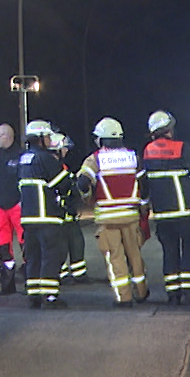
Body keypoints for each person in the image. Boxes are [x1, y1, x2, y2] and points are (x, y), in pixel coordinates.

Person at [78, 117, 150, 306]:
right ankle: (141, 292)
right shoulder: (133, 156)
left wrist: (87, 196)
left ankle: (124, 298)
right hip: (131, 216)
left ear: (101, 139)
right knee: (135, 255)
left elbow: (82, 182)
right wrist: (143, 205)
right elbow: (144, 184)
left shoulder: (95, 159)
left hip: (108, 219)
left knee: (115, 258)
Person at [142, 110, 190, 304]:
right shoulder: (181, 148)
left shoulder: (147, 152)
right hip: (184, 212)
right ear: (169, 129)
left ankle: (173, 293)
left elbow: (143, 183)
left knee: (170, 251)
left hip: (162, 215)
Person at [16, 120, 70, 309]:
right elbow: (63, 184)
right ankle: (50, 296)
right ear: (40, 138)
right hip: (47, 217)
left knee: (33, 256)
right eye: (47, 136)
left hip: (28, 218)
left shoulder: (24, 158)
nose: (49, 139)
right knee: (51, 255)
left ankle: (34, 295)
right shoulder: (45, 158)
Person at [52, 131, 91, 283]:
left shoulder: (62, 165)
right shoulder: (52, 166)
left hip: (68, 214)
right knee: (60, 245)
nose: (66, 151)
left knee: (76, 242)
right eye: (64, 148)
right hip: (59, 215)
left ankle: (79, 273)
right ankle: (61, 274)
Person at [0, 123, 23, 294]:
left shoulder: (21, 156)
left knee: (26, 243)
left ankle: (32, 283)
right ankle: (8, 284)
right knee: (3, 246)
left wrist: (22, 201)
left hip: (18, 206)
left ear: (8, 136)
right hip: (1, 208)